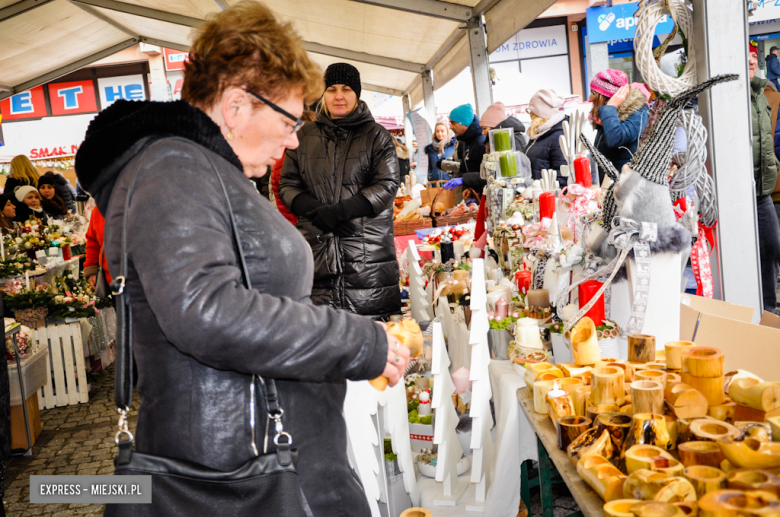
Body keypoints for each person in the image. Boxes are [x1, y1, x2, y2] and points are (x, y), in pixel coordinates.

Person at [74, 4, 409, 516]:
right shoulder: (173, 168)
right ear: (235, 106)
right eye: (289, 119)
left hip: (259, 459)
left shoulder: (206, 170)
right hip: (237, 476)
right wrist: (357, 341)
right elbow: (205, 310)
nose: (294, 138)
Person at [280, 62, 402, 321]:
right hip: (317, 254)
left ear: (357, 93)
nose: (338, 96)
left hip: (367, 259)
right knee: (324, 339)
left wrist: (342, 211)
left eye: (346, 89)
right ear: (323, 94)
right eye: (332, 89)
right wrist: (317, 213)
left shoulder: (376, 135)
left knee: (375, 340)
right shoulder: (303, 136)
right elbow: (288, 184)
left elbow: (387, 183)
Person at [750, 51, 780, 312]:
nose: (750, 61)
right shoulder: (728, 96)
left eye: (753, 56)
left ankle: (768, 311)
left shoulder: (763, 92)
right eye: (743, 56)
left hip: (763, 190)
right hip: (736, 191)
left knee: (771, 246)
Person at [589, 70, 649, 182]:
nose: (589, 99)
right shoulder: (609, 114)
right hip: (608, 185)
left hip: (626, 187)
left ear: (609, 96)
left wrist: (610, 107)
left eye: (593, 93)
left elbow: (616, 139)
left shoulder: (637, 113)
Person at [524, 89, 569, 187]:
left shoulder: (558, 136)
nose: (530, 114)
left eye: (530, 110)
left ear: (539, 113)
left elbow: (563, 177)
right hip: (536, 195)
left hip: (548, 197)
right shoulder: (540, 133)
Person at [441, 103, 487, 191]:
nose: (450, 127)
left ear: (464, 123)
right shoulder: (465, 141)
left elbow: (487, 176)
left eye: (453, 123)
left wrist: (464, 180)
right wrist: (469, 188)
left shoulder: (481, 143)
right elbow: (465, 167)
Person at [83, 207, 111, 288]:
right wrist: (92, 270)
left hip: (142, 279)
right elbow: (93, 242)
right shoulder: (99, 209)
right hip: (112, 280)